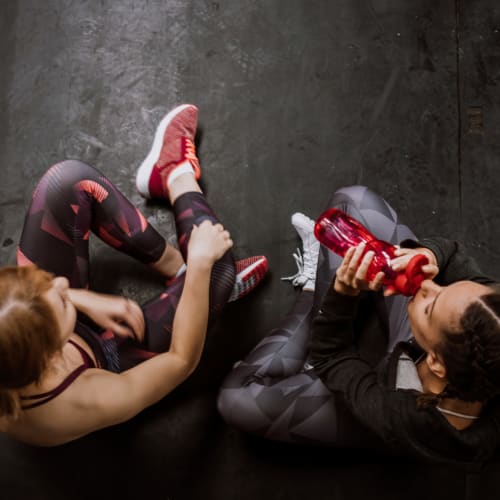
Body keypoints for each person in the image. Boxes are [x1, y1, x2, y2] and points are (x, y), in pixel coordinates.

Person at [0, 104, 268, 446]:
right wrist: (200, 267)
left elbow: (55, 291)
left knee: (67, 180)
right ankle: (175, 173)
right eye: (63, 301)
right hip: (103, 358)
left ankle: (178, 269)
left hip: (52, 339)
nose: (64, 284)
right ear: (52, 354)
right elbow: (181, 361)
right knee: (217, 271)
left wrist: (80, 300)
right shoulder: (80, 403)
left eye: (44, 286)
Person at [217, 186, 500, 464]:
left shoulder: (407, 419)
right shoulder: (490, 318)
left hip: (386, 405)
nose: (428, 285)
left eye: (430, 306)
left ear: (437, 363)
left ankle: (310, 293)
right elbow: (453, 254)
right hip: (419, 351)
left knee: (235, 400)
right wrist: (429, 255)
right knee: (354, 202)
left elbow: (331, 356)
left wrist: (343, 294)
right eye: (444, 286)